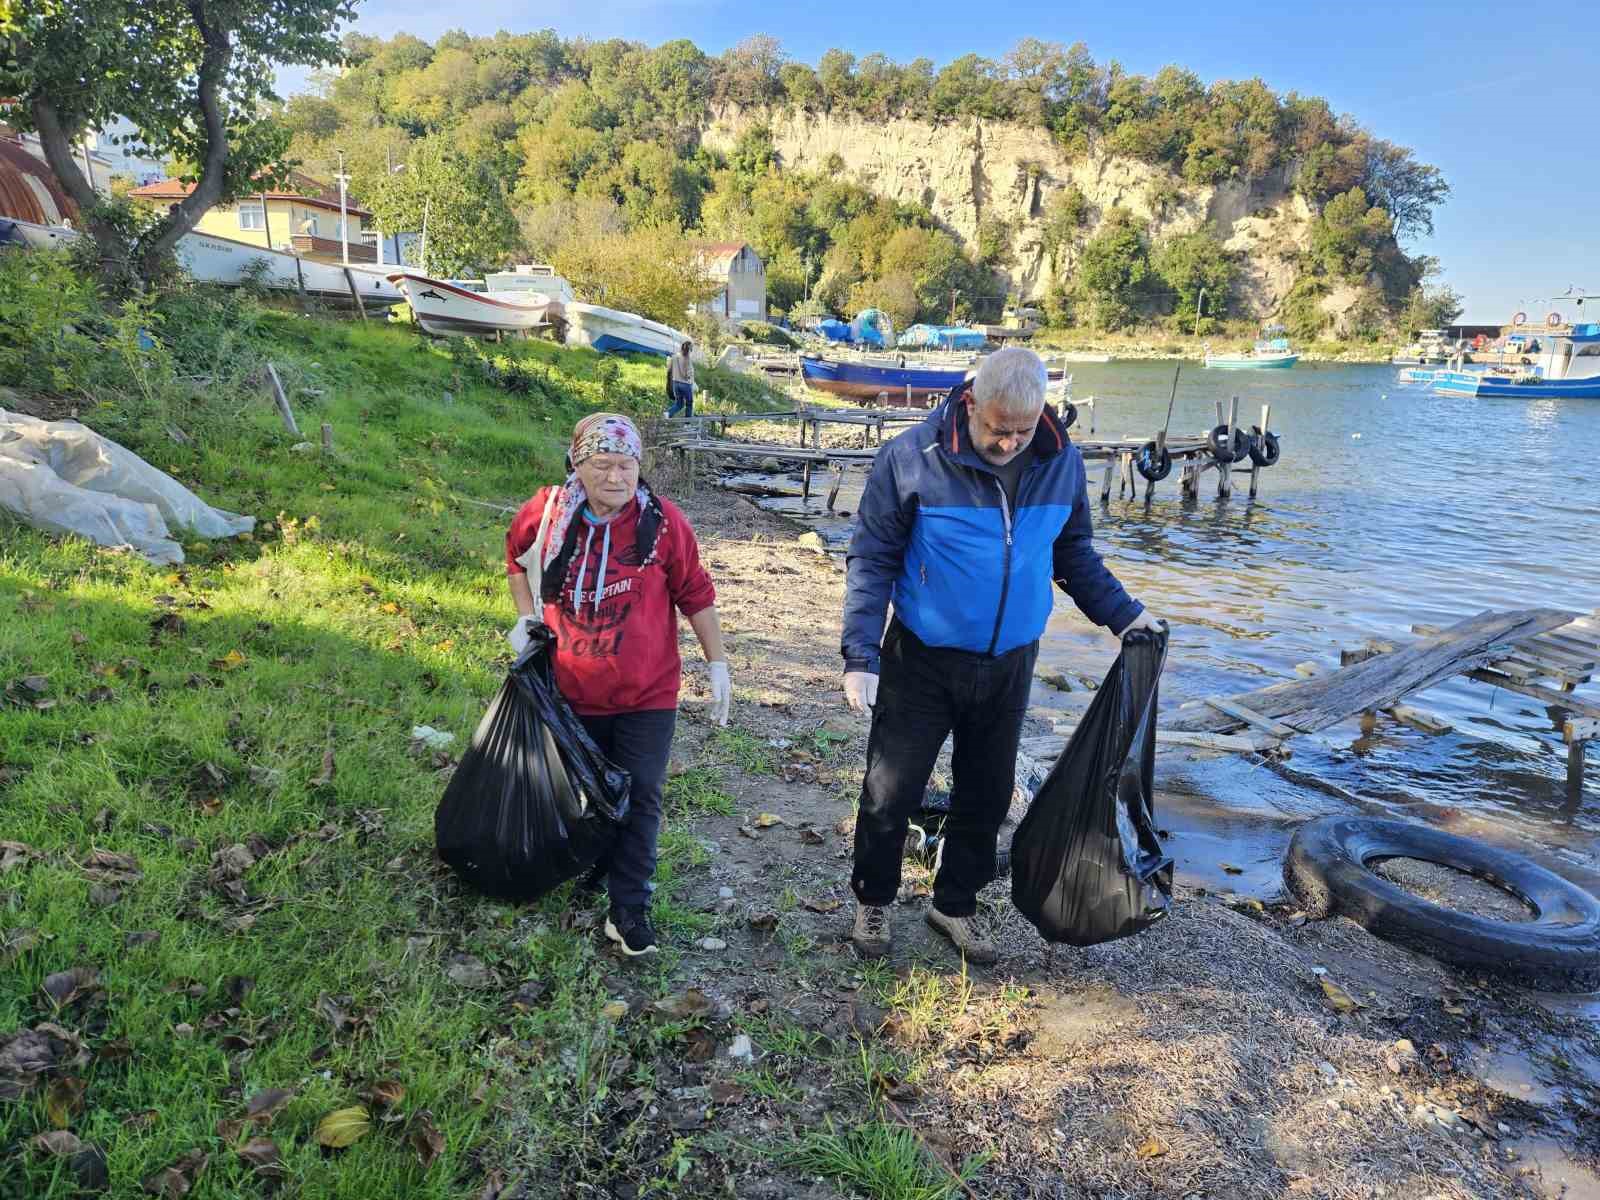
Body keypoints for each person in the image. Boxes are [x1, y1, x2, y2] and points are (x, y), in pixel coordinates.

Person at [840, 346, 1161, 964]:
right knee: (892, 788)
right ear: (971, 402)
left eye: (1020, 430)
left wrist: (1127, 616)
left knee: (987, 793)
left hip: (1011, 660)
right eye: (997, 428)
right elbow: (872, 559)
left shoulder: (1060, 461)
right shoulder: (911, 458)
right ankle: (873, 898)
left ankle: (954, 904)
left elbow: (1074, 555)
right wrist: (860, 657)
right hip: (922, 658)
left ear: (1040, 414)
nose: (1009, 442)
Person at [504, 413, 732, 957]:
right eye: (601, 465)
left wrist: (718, 662)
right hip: (568, 691)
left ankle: (629, 909)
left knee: (642, 794)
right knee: (586, 793)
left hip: (647, 694)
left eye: (625, 465)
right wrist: (524, 616)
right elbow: (516, 557)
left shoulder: (664, 524)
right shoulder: (547, 514)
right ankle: (595, 864)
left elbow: (696, 594)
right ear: (577, 466)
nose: (615, 478)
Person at [667, 340, 696, 418]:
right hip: (685, 384)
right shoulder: (687, 358)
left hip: (675, 383)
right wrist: (691, 379)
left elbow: (669, 369)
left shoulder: (674, 356)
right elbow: (688, 374)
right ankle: (687, 424)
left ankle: (668, 414)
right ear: (689, 348)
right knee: (689, 403)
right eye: (691, 348)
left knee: (679, 404)